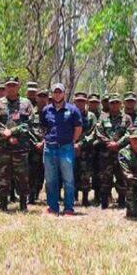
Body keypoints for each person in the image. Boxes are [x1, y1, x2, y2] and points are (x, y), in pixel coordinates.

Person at [0, 76, 34, 211]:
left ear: (18, 87)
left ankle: (23, 203)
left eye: (14, 85)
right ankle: (3, 203)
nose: (11, 88)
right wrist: (6, 134)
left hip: (20, 148)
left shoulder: (26, 104)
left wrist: (13, 132)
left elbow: (29, 123)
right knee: (3, 176)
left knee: (22, 177)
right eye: (8, 85)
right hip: (3, 148)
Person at [39, 83, 83, 215]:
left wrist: (72, 141)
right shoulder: (46, 110)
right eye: (55, 92)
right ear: (52, 94)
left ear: (64, 93)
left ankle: (68, 207)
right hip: (50, 148)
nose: (57, 94)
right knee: (51, 179)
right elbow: (43, 127)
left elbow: (78, 128)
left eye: (60, 92)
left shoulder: (73, 110)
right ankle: (52, 207)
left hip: (66, 148)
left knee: (68, 179)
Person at [94, 94, 132, 209]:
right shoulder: (103, 118)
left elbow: (129, 133)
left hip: (121, 153)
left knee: (121, 177)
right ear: (108, 104)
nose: (114, 105)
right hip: (106, 153)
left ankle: (121, 201)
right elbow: (98, 133)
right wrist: (109, 143)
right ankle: (104, 202)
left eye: (117, 103)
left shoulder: (127, 118)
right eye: (112, 103)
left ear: (120, 104)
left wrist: (118, 144)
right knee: (105, 178)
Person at [73, 91, 97, 206]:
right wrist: (72, 144)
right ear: (74, 101)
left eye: (82, 101)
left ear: (86, 102)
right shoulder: (69, 114)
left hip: (86, 150)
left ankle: (85, 199)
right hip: (71, 148)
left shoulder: (91, 116)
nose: (80, 103)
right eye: (78, 101)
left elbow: (93, 133)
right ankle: (73, 197)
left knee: (86, 174)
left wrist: (80, 144)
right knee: (72, 173)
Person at [28, 88, 48, 204]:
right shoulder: (31, 113)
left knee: (43, 172)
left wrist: (44, 142)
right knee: (32, 172)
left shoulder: (51, 112)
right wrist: (35, 143)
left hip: (47, 147)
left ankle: (38, 193)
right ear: (36, 98)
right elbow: (27, 128)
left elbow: (53, 129)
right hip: (33, 148)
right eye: (40, 96)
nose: (42, 98)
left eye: (44, 96)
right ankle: (31, 196)